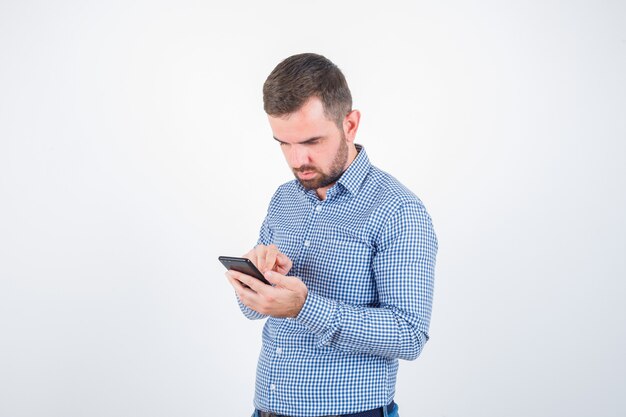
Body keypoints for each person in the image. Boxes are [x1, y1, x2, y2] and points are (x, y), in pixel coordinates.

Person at [226, 53, 437, 417]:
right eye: (284, 143)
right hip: (266, 410)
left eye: (311, 141)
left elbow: (409, 334)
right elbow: (252, 313)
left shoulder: (398, 210)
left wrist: (304, 308)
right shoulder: (284, 198)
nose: (297, 160)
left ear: (350, 124)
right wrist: (256, 281)